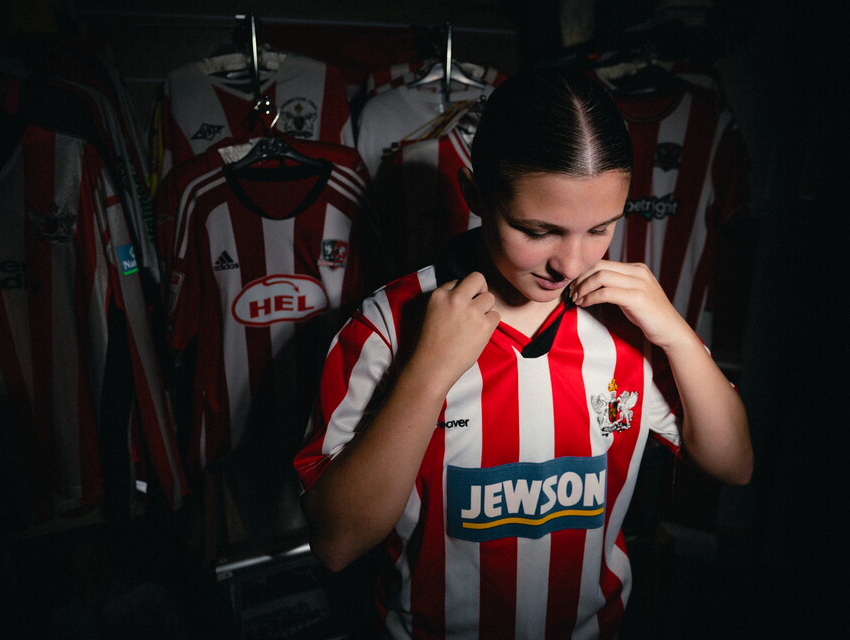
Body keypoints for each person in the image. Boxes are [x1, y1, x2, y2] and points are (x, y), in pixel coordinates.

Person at [292, 68, 753, 639]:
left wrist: (680, 336)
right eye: (539, 231)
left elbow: (734, 464)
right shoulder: (387, 325)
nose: (572, 263)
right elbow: (336, 544)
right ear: (476, 195)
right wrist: (425, 376)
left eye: (602, 228)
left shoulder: (631, 322)